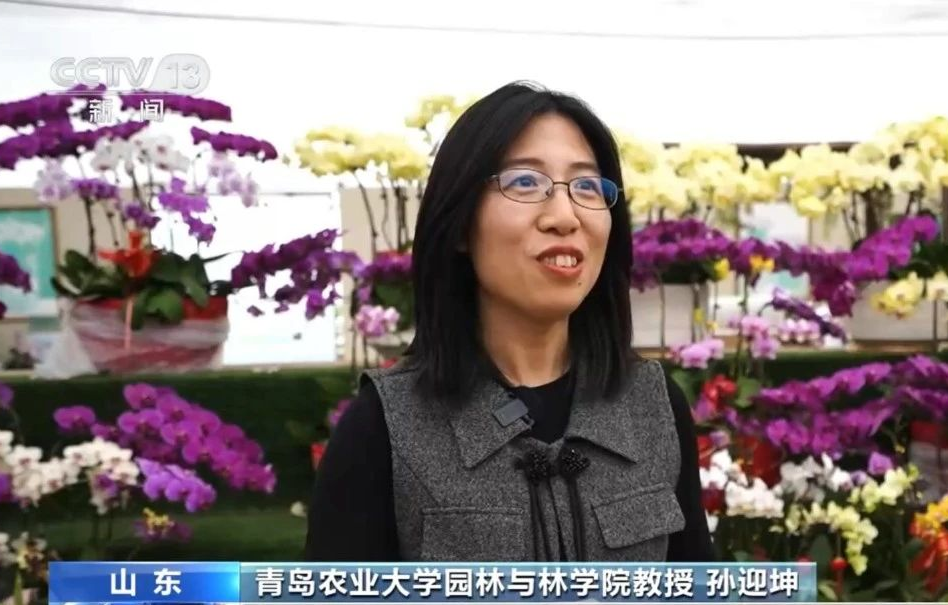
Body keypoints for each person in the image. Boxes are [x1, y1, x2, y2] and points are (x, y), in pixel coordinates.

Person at [306, 81, 713, 563]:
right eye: (525, 182)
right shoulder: (383, 426)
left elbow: (698, 601)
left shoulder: (653, 405)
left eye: (586, 185)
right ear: (460, 224)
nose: (564, 216)